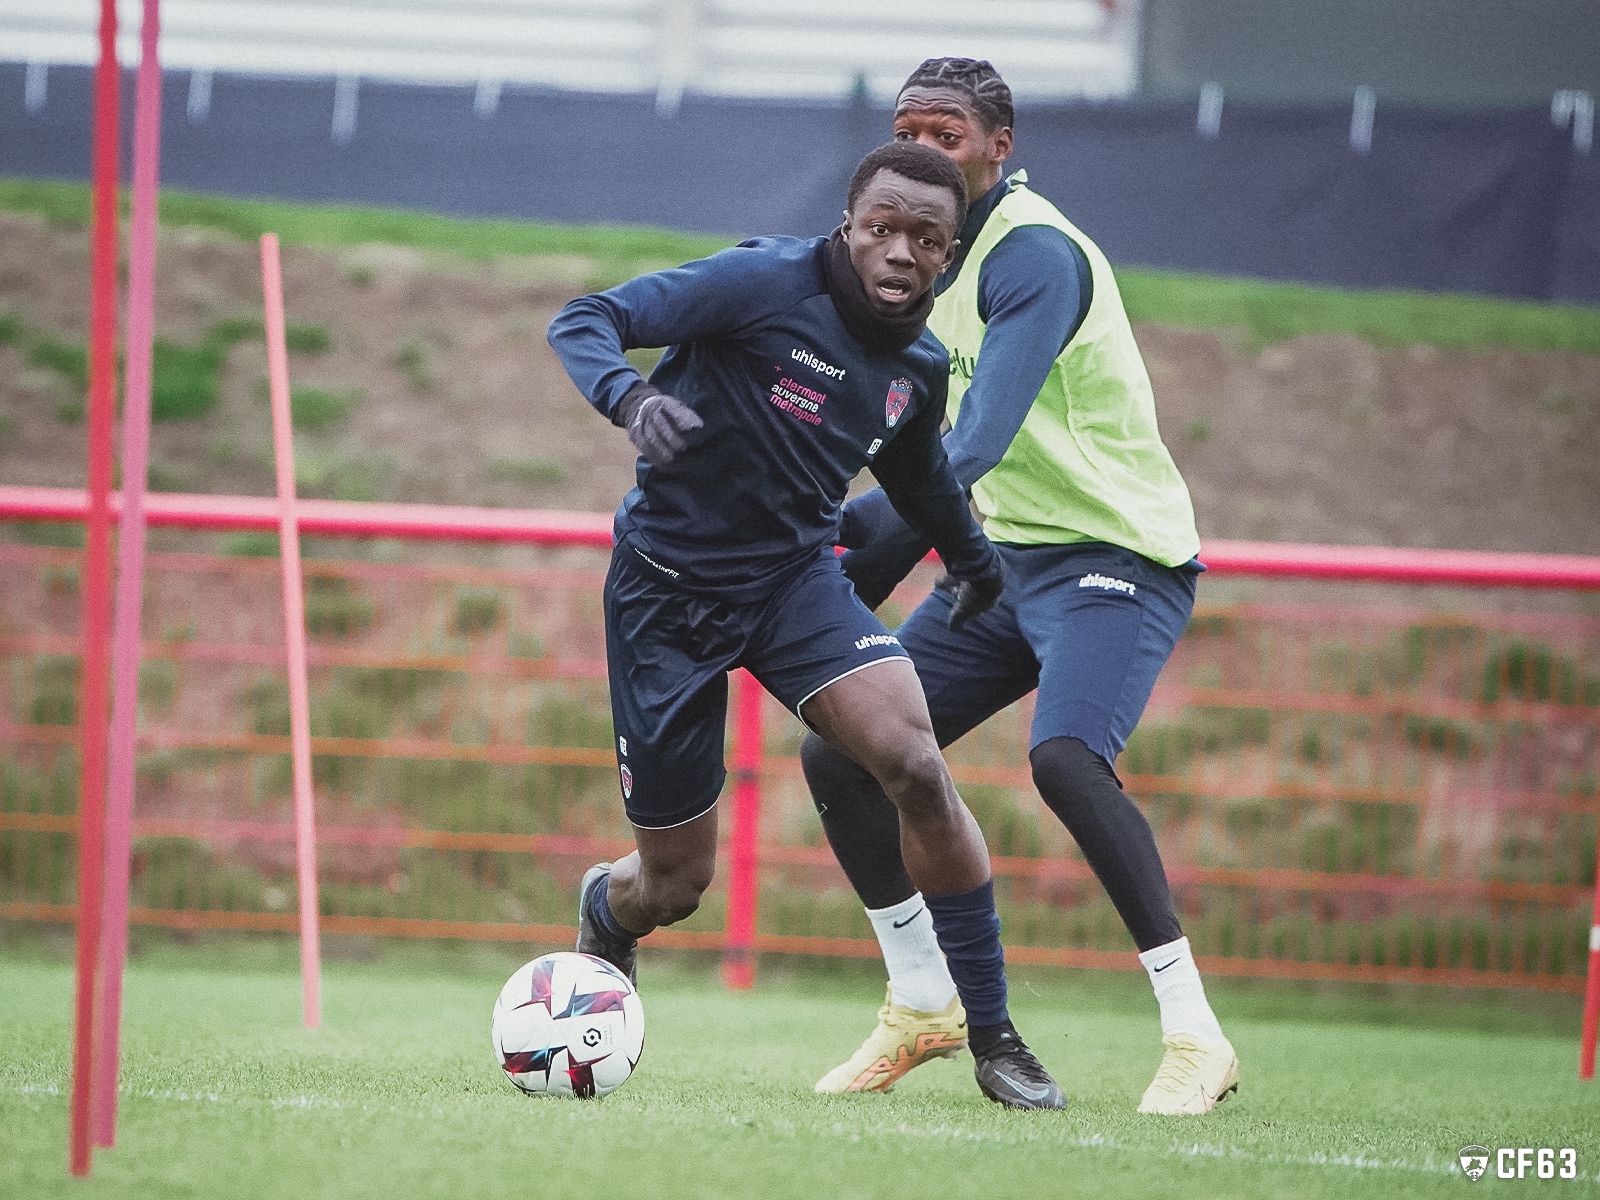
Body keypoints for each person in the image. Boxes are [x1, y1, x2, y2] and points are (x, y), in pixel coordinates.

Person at [545, 139, 1065, 1110]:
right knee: (674, 884)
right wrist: (633, 395)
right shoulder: (759, 282)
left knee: (912, 758)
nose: (901, 252)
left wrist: (973, 560)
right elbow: (587, 317)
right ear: (849, 226)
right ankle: (602, 906)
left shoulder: (914, 364)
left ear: (948, 256)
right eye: (883, 229)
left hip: (793, 587)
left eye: (926, 239)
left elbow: (917, 473)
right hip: (665, 594)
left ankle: (991, 1033)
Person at [805, 59, 1240, 1116]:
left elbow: (972, 447)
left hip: (1115, 554)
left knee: (1064, 760)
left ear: (1000, 146)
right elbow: (918, 450)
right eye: (905, 130)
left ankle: (1195, 1035)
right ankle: (923, 1005)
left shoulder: (1032, 253)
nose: (922, 149)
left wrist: (839, 527)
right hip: (1000, 557)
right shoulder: (919, 254)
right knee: (843, 748)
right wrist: (822, 575)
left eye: (945, 134)